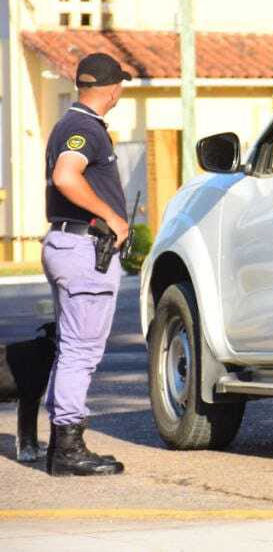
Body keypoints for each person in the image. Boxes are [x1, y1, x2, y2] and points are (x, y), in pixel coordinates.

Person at [42, 52, 132, 476]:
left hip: (69, 244)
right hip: (84, 248)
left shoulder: (69, 123)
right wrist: (113, 217)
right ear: (113, 89)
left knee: (71, 347)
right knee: (81, 350)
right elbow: (66, 176)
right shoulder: (84, 128)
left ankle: (60, 443)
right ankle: (68, 449)